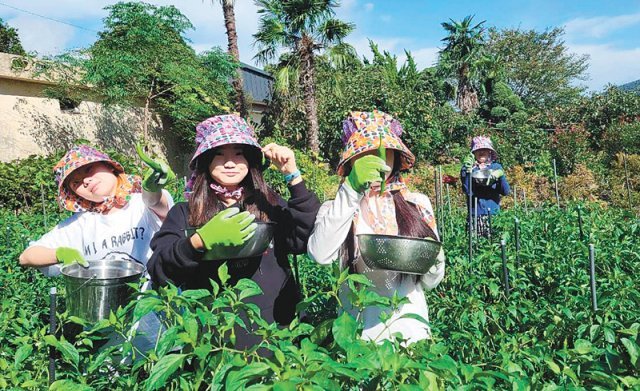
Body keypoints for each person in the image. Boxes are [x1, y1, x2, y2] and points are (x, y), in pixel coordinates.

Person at [147, 114, 320, 350]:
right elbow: (159, 271)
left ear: (250, 161)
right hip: (214, 338)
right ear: (206, 161)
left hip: (277, 333)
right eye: (219, 154)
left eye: (238, 154)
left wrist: (294, 177)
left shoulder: (267, 204)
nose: (230, 163)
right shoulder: (184, 213)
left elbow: (302, 238)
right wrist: (198, 241)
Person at [19, 143, 175, 354]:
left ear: (109, 166)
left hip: (157, 319)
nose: (86, 180)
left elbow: (159, 205)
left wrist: (151, 190)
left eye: (89, 169)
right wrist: (58, 254)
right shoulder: (79, 224)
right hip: (108, 332)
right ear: (73, 194)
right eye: (76, 182)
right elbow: (27, 257)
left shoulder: (140, 205)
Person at [307, 110, 445, 345]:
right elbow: (319, 255)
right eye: (364, 152)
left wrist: (434, 258)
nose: (375, 159)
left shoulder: (417, 204)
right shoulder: (336, 208)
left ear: (395, 157)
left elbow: (432, 281)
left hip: (412, 336)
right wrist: (350, 190)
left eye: (382, 152)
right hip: (360, 339)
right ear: (351, 159)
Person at [460, 135, 511, 237]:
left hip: (494, 215)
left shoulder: (496, 167)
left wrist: (500, 175)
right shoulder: (469, 168)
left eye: (485, 149)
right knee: (475, 246)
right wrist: (467, 172)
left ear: (490, 152)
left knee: (495, 245)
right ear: (473, 153)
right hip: (475, 215)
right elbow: (468, 191)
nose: (482, 152)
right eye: (478, 149)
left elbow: (506, 191)